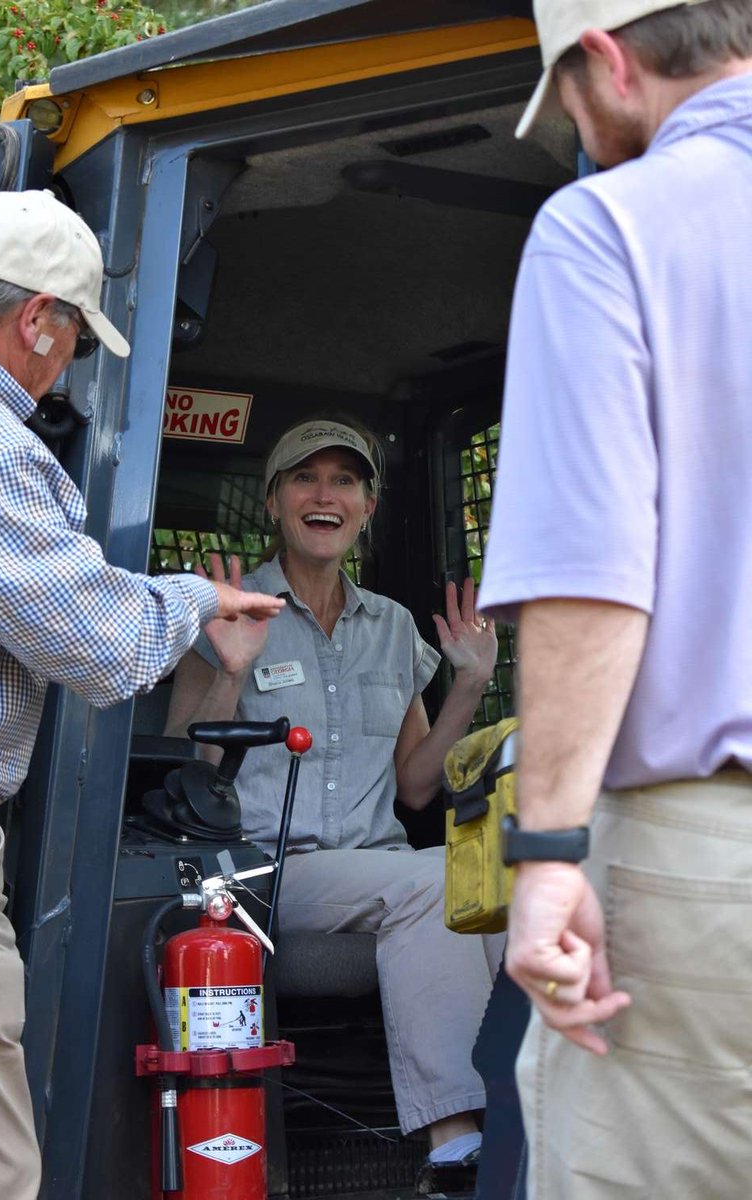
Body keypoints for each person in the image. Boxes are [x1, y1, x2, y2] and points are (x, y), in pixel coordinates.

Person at [0, 188, 284, 1200]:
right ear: (37, 318)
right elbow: (96, 644)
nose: (66, 369)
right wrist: (199, 598)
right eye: (74, 344)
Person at [477, 1, 752, 1196]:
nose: (577, 138)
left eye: (569, 109)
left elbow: (591, 575)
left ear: (605, 61)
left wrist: (545, 852)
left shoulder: (608, 229)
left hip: (706, 865)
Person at [165, 417, 505, 1191]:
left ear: (368, 506)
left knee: (501, 885)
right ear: (276, 500)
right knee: (431, 881)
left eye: (344, 480)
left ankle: (528, 1119)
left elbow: (417, 784)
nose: (326, 495)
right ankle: (455, 1144)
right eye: (306, 479)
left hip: (375, 871)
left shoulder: (392, 628)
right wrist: (230, 668)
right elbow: (185, 776)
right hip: (255, 877)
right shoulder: (227, 611)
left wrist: (471, 684)